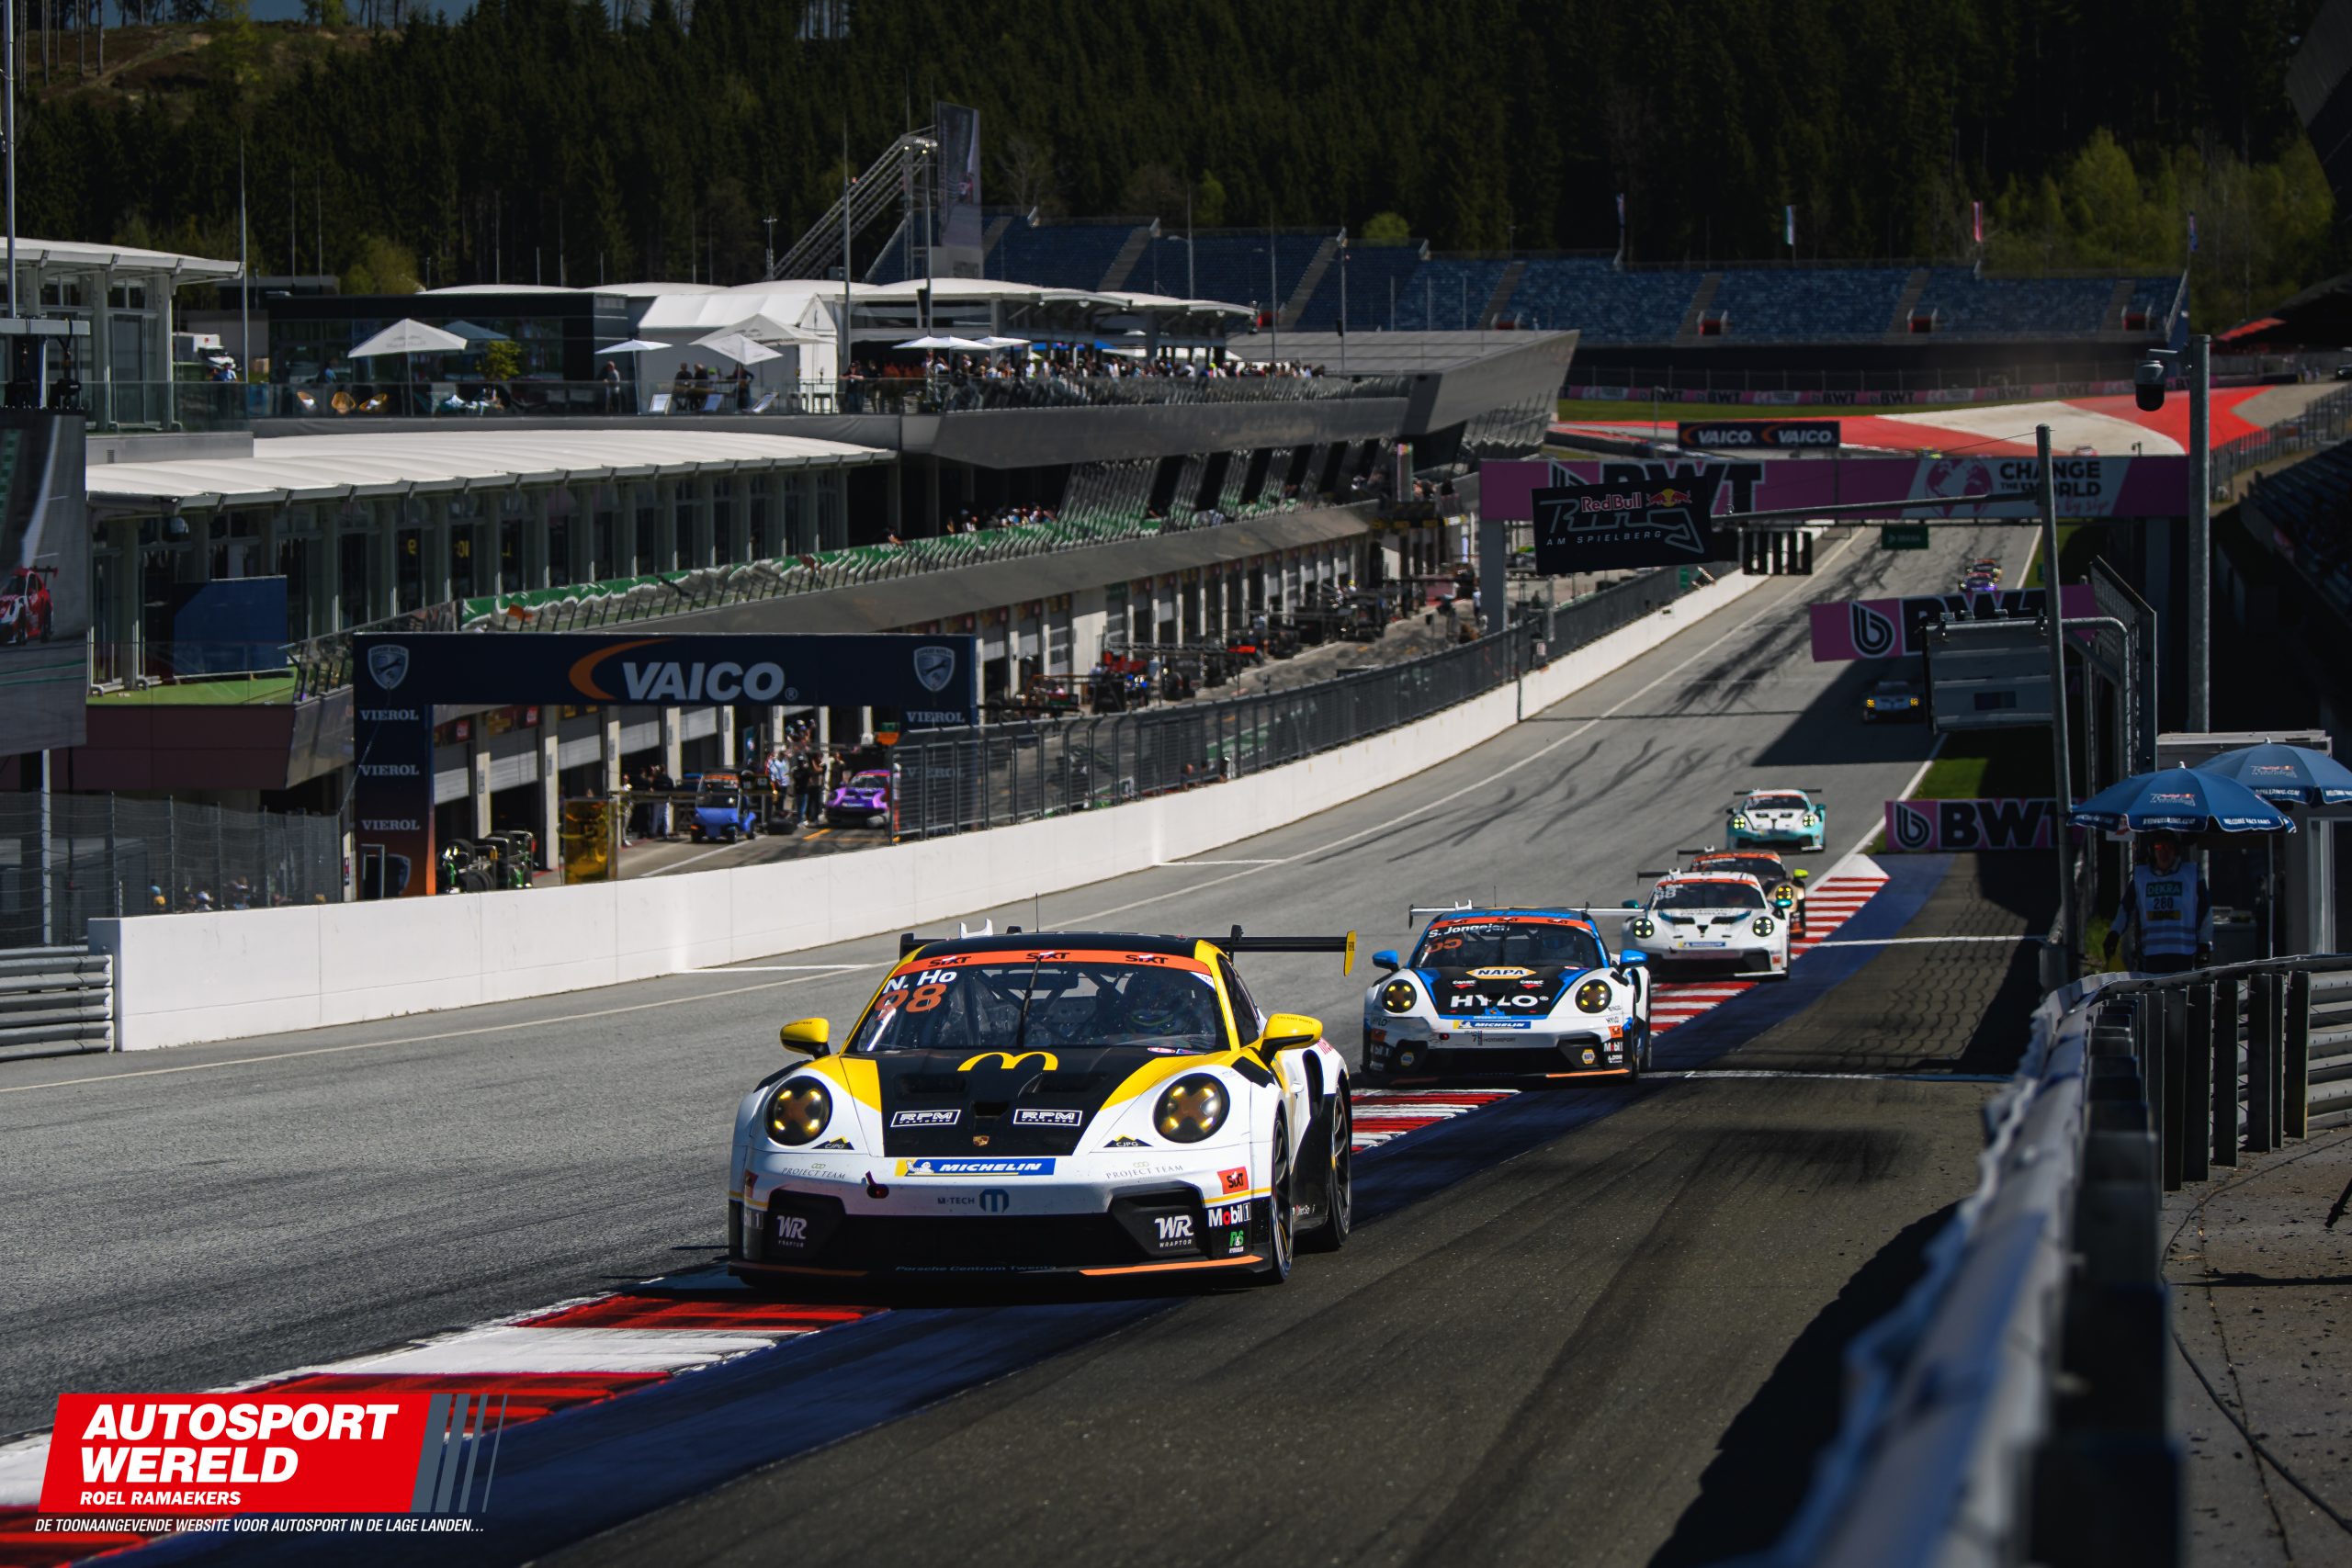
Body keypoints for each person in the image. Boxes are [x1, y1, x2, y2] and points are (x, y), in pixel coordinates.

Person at [2105, 829, 2212, 975]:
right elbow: (2125, 908)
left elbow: (2206, 910)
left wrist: (2205, 943)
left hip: (2183, 954)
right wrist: (2114, 934)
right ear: (2152, 850)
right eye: (2159, 847)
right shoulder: (2142, 876)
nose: (2164, 852)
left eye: (2169, 847)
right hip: (2152, 955)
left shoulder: (2192, 873)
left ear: (2176, 851)